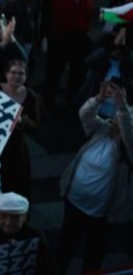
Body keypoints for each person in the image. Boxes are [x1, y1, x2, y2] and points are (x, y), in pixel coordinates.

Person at [56, 80, 132, 272]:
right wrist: (99, 98)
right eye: (116, 117)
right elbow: (85, 114)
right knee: (66, 243)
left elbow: (128, 131)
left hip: (101, 213)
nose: (117, 120)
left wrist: (122, 105)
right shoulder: (101, 129)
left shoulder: (128, 148)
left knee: (94, 251)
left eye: (121, 118)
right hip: (75, 199)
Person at [0, 59, 40, 197]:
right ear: (6, 74)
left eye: (21, 73)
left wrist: (23, 120)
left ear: (26, 77)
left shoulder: (31, 96)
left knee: (16, 179)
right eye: (13, 72)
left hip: (16, 144)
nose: (16, 76)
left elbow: (36, 124)